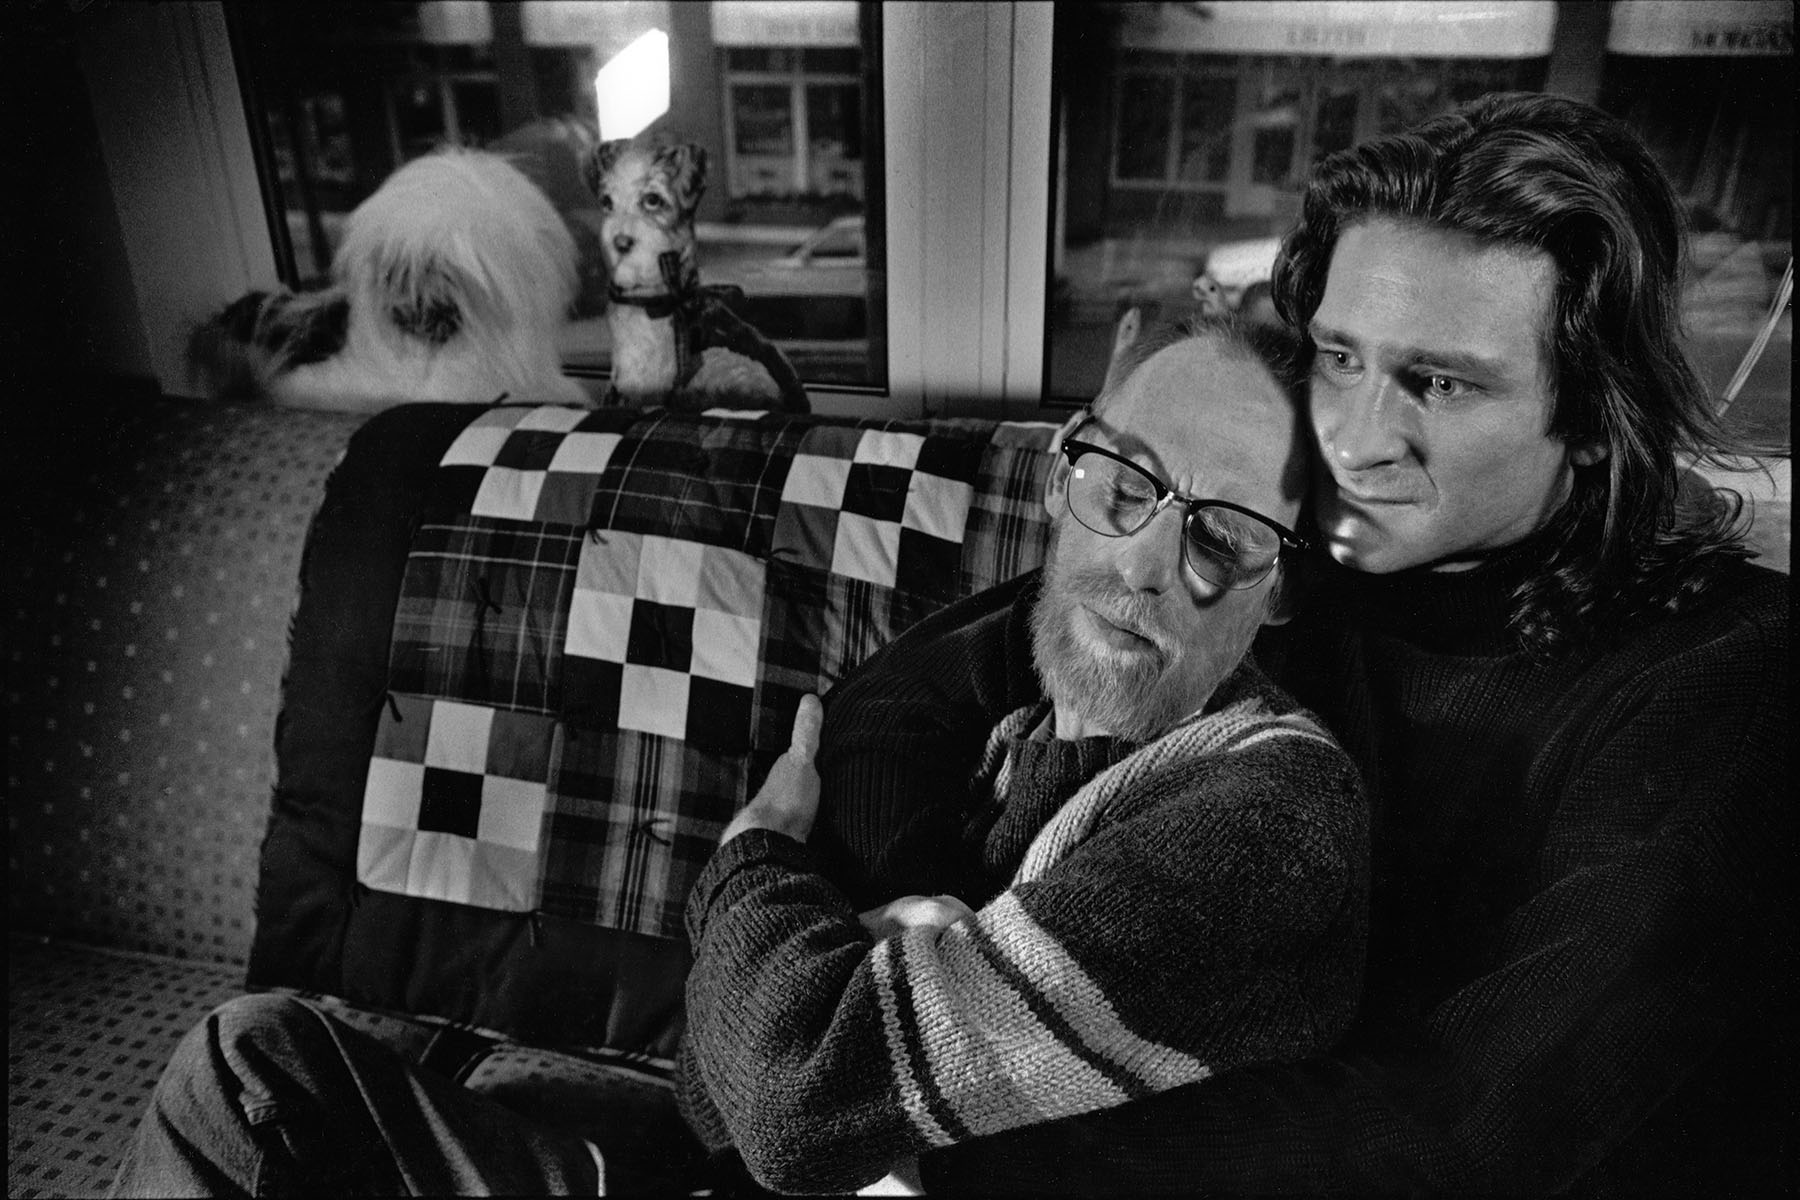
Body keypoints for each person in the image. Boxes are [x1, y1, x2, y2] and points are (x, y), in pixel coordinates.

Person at [898, 92, 1792, 1195]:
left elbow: (1460, 1142)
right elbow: (915, 691)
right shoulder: (1291, 556)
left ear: (1593, 421)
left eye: (1441, 381)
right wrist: (867, 922)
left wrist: (922, 1148)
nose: (1355, 439)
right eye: (1338, 357)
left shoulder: (1730, 678)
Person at [678, 316, 1369, 1193]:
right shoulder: (1007, 748)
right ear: (1060, 475)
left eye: (1224, 538)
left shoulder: (1273, 817)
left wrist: (752, 860)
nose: (1141, 564)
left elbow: (788, 1109)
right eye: (1125, 485)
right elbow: (714, 1104)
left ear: (1279, 592)